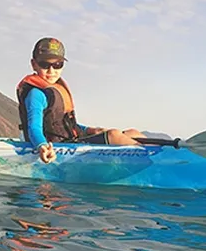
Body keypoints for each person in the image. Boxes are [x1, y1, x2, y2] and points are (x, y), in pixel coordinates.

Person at [16, 37, 145, 164]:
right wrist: (42, 146)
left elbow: (67, 124)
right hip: (57, 147)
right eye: (44, 65)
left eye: (57, 65)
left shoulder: (56, 89)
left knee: (132, 133)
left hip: (72, 140)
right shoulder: (36, 95)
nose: (51, 71)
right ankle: (151, 159)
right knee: (113, 135)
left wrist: (89, 130)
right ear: (34, 64)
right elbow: (34, 128)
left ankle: (152, 154)